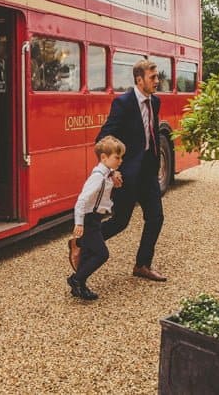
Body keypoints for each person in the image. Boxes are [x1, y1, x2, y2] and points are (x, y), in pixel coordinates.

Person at [75, 59, 168, 281]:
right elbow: (103, 138)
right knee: (120, 223)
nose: (157, 81)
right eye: (152, 77)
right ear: (139, 79)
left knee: (156, 218)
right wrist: (112, 171)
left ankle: (142, 265)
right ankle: (81, 244)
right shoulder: (123, 103)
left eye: (157, 77)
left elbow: (151, 133)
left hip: (148, 171)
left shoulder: (155, 102)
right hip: (127, 175)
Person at [66, 135, 125, 301]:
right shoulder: (98, 177)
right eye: (117, 157)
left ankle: (80, 283)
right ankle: (76, 280)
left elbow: (110, 176)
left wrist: (113, 175)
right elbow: (81, 200)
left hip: (96, 219)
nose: (120, 161)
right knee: (101, 254)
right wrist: (79, 223)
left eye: (121, 157)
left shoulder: (107, 173)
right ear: (104, 157)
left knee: (89, 252)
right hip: (89, 219)